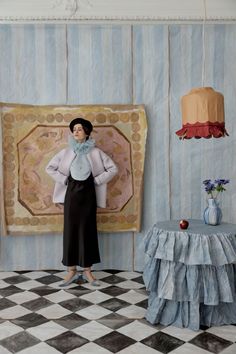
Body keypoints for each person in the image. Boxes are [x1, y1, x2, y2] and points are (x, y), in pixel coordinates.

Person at [45, 117, 118, 287]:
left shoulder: (96, 152)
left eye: (79, 128)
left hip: (88, 195)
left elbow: (113, 168)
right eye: (74, 129)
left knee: (88, 230)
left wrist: (97, 180)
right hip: (71, 194)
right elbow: (49, 168)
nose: (76, 131)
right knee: (70, 230)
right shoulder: (66, 152)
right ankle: (71, 270)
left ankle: (87, 270)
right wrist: (64, 179)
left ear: (86, 131)